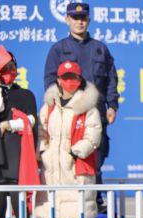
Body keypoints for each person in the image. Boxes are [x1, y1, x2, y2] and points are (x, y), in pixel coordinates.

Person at [36, 61, 102, 218]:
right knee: (57, 215)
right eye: (65, 77)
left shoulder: (88, 107)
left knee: (78, 214)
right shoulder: (49, 106)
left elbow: (93, 136)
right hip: (53, 170)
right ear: (58, 80)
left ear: (80, 79)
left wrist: (74, 152)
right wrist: (43, 152)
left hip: (76, 169)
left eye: (73, 77)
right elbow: (41, 132)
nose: (69, 81)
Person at [44, 2, 118, 176]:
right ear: (67, 20)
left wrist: (112, 106)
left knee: (95, 160)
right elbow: (50, 81)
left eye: (83, 18)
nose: (79, 22)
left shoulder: (100, 49)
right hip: (68, 115)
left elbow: (111, 79)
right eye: (75, 18)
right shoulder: (58, 49)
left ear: (89, 20)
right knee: (67, 161)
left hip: (96, 112)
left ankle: (95, 191)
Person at [0, 47, 38, 218]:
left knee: (20, 207)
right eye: (4, 68)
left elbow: (32, 120)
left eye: (12, 67)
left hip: (17, 160)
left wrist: (10, 124)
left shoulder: (25, 95)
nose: (9, 71)